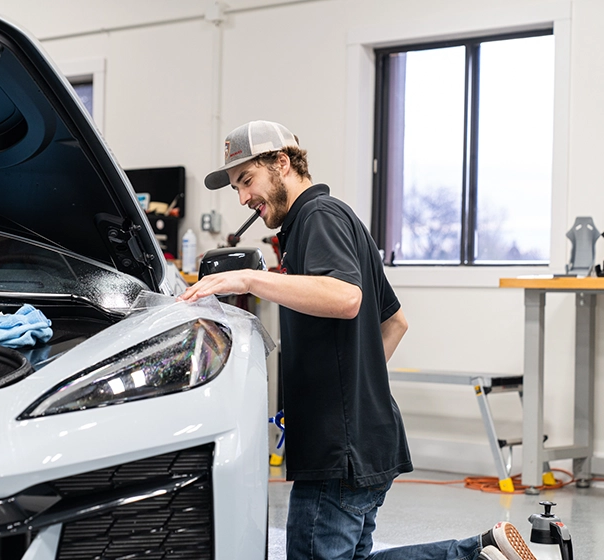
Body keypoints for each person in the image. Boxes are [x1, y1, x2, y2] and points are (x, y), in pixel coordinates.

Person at [179, 120, 537, 560]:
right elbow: (397, 322)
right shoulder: (336, 218)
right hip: (363, 437)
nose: (242, 198)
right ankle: (482, 552)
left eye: (246, 180)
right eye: (235, 188)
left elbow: (346, 298)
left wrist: (249, 278)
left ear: (282, 163)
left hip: (339, 448)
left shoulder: (317, 218)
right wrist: (351, 387)